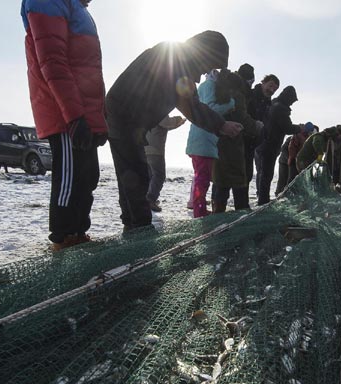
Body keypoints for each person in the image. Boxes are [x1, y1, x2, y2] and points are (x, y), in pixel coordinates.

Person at [104, 31, 243, 231]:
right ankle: (139, 230)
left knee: (132, 176)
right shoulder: (175, 62)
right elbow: (192, 107)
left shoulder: (179, 61)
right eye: (211, 63)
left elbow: (188, 104)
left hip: (128, 121)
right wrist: (222, 125)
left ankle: (134, 226)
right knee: (136, 177)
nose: (207, 70)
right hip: (123, 119)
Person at [22, 0, 108, 251]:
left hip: (84, 114)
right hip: (65, 115)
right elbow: (53, 61)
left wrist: (99, 119)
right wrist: (74, 117)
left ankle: (79, 232)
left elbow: (90, 72)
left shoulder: (80, 10)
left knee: (88, 175)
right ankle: (63, 238)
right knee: (70, 178)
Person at [211, 69, 262, 212]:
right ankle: (242, 212)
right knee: (239, 181)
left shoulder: (218, 94)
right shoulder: (237, 96)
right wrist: (257, 126)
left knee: (221, 182)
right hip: (233, 144)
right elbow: (242, 117)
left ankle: (217, 214)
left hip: (217, 143)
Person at [185, 71, 235, 218]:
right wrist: (230, 104)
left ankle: (199, 209)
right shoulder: (209, 85)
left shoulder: (208, 85)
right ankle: (199, 212)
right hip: (202, 140)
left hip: (205, 140)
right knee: (202, 179)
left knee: (203, 178)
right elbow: (209, 109)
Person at [254, 85, 301, 205]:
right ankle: (263, 202)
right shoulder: (281, 108)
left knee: (261, 173)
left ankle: (261, 198)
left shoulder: (273, 103)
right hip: (270, 145)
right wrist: (300, 128)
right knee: (266, 175)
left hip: (260, 143)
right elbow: (287, 128)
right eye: (292, 101)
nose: (292, 104)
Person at [144, 115, 186, 212]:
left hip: (146, 149)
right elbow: (166, 122)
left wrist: (178, 124)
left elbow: (165, 126)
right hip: (155, 150)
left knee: (151, 176)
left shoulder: (147, 110)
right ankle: (150, 199)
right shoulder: (159, 109)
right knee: (159, 175)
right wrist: (178, 119)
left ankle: (147, 199)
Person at [245, 74, 280, 184]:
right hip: (242, 140)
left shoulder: (269, 103)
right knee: (236, 175)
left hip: (254, 143)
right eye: (270, 86)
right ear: (263, 83)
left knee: (248, 175)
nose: (271, 90)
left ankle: (243, 201)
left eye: (274, 89)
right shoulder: (250, 95)